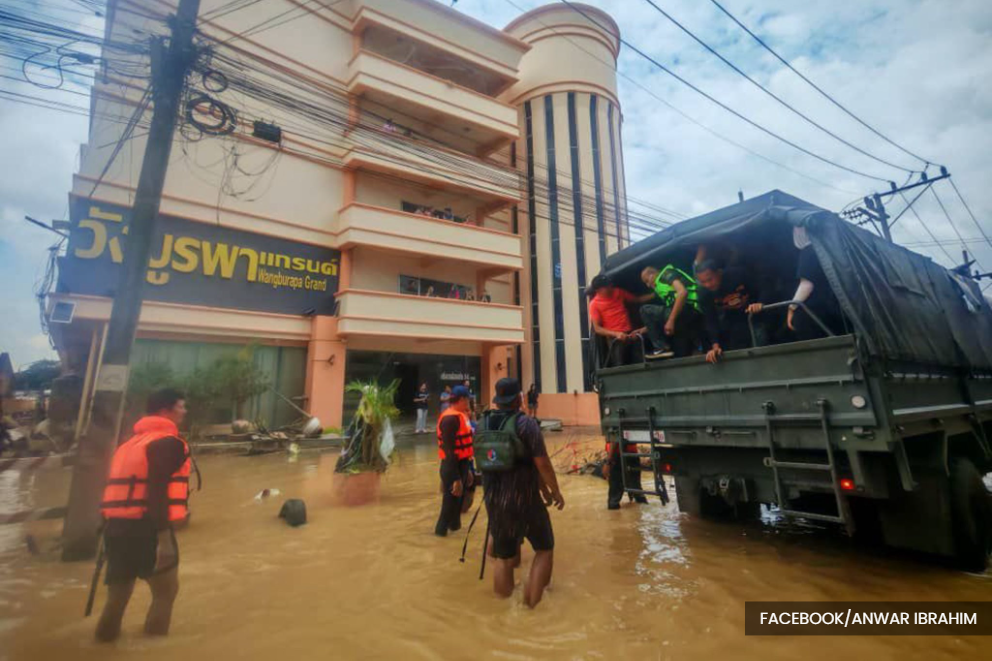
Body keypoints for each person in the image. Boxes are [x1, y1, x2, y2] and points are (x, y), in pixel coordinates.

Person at [96, 388, 190, 642]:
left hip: (116, 529)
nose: (184, 411)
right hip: (148, 528)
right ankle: (154, 647)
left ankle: (101, 647)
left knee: (116, 601)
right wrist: (165, 540)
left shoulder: (128, 444)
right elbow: (156, 491)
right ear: (165, 411)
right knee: (165, 592)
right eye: (181, 407)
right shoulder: (168, 443)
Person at [480, 378, 564, 608]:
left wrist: (543, 488)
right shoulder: (526, 424)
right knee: (544, 549)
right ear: (519, 398)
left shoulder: (482, 423)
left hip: (494, 501)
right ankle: (531, 608)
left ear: (497, 400)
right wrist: (554, 491)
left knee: (504, 558)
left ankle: (503, 611)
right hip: (524, 500)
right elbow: (541, 463)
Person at [694, 260, 765, 364]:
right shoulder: (704, 292)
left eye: (710, 279)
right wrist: (715, 345)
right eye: (703, 282)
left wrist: (760, 303)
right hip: (733, 323)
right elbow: (710, 319)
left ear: (719, 273)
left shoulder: (738, 274)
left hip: (755, 316)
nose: (708, 285)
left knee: (760, 341)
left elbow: (763, 287)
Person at [639, 265, 704, 358]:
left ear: (652, 275)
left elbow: (682, 292)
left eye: (647, 281)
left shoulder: (666, 274)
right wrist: (647, 328)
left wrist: (671, 320)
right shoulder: (661, 287)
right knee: (680, 353)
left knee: (645, 310)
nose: (648, 285)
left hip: (690, 308)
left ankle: (660, 347)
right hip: (687, 316)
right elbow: (666, 312)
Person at [435, 385, 474, 536]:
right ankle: (440, 533)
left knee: (457, 503)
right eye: (467, 400)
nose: (468, 403)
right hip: (452, 466)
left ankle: (455, 529)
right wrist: (456, 478)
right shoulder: (450, 419)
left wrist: (468, 470)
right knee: (449, 504)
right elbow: (449, 451)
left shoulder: (461, 415)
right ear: (462, 399)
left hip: (462, 463)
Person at [587, 274, 648, 367]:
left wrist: (655, 294)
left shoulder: (618, 292)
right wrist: (616, 334)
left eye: (609, 285)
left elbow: (637, 300)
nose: (609, 287)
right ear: (598, 290)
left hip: (631, 333)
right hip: (615, 339)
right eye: (606, 287)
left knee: (639, 362)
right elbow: (597, 329)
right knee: (620, 365)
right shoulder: (594, 304)